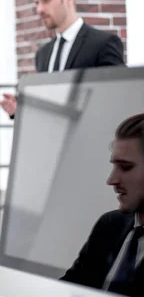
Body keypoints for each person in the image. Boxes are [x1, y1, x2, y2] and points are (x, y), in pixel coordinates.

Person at [0, 0, 125, 118]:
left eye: (46, 0)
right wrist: (19, 110)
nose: (39, 9)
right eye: (37, 3)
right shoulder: (43, 54)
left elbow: (116, 99)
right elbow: (50, 105)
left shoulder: (103, 43)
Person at [61, 113, 144, 296]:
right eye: (114, 166)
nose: (111, 180)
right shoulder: (110, 224)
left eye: (125, 167)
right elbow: (69, 288)